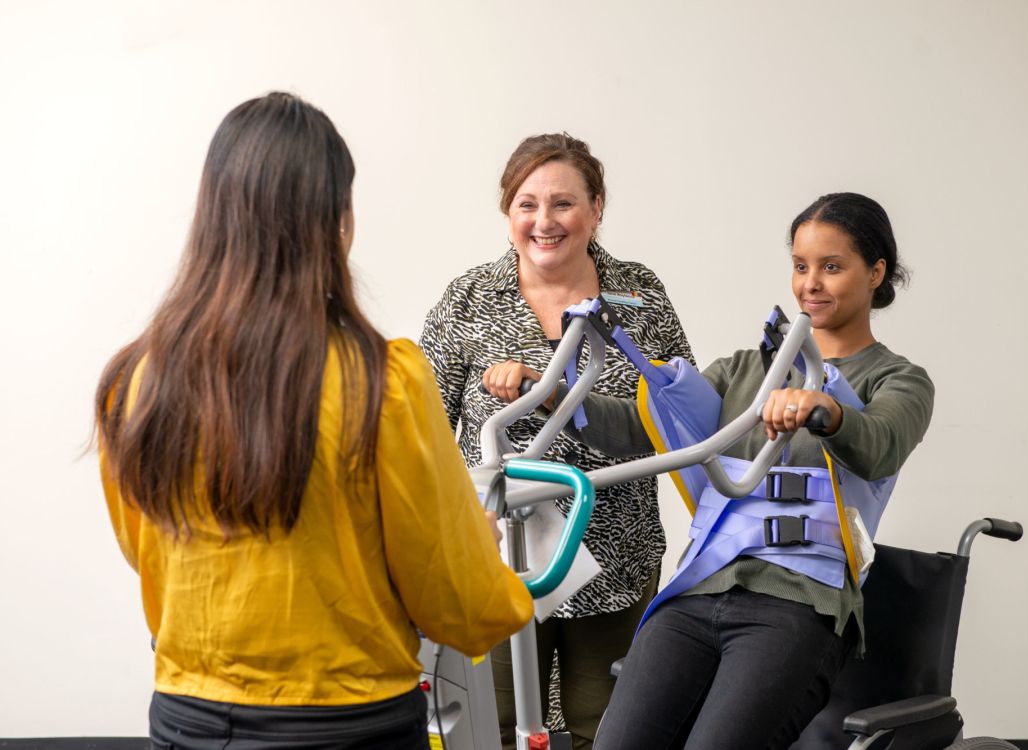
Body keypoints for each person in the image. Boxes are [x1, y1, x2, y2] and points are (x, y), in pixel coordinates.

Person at [94, 92, 533, 750]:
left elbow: (146, 552)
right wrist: (487, 556)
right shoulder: (382, 380)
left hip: (186, 717)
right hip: (346, 725)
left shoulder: (136, 379)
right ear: (335, 219)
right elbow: (458, 603)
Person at [510, 192, 934, 749]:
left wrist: (824, 409)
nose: (811, 283)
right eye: (801, 266)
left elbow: (880, 445)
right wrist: (551, 397)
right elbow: (640, 432)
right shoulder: (743, 370)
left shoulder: (899, 380)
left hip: (799, 603)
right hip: (696, 592)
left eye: (832, 267)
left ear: (876, 272)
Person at [420, 133, 693, 749]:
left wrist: (555, 395)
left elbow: (683, 416)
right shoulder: (468, 299)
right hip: (498, 564)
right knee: (490, 730)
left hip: (615, 559)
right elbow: (422, 432)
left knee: (614, 730)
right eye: (526, 204)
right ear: (507, 213)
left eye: (563, 203)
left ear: (596, 209)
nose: (544, 222)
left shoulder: (638, 296)